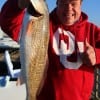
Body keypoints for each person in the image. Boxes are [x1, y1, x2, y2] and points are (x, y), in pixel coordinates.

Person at [0, 0, 100, 100]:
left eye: (73, 4)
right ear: (57, 3)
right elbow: (8, 22)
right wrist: (18, 3)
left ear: (81, 4)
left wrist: (96, 55)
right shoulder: (43, 24)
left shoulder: (92, 31)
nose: (69, 8)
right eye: (64, 3)